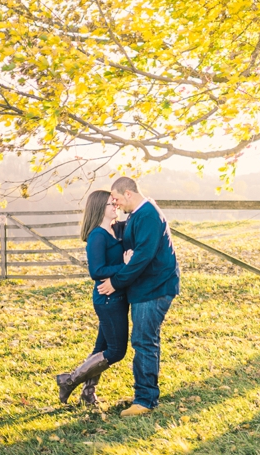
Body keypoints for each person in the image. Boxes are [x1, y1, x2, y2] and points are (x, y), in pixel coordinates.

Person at [98, 176, 180, 416]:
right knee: (143, 339)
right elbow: (130, 236)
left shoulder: (147, 216)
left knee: (144, 340)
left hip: (155, 287)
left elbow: (142, 257)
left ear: (129, 194)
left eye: (117, 198)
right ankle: (145, 394)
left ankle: (145, 401)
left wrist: (116, 281)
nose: (116, 204)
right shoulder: (138, 214)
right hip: (147, 287)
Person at [55, 190, 130, 405]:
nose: (115, 206)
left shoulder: (116, 229)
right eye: (110, 204)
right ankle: (69, 381)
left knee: (100, 349)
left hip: (118, 298)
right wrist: (123, 265)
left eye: (115, 203)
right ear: (99, 209)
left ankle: (88, 393)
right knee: (116, 351)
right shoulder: (98, 235)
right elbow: (96, 271)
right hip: (108, 300)